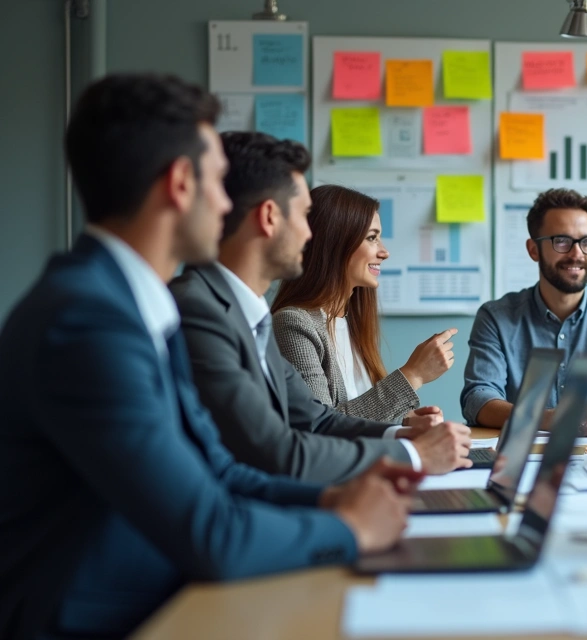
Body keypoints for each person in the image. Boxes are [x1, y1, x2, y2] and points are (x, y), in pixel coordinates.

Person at [0, 74, 417, 640]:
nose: (227, 206)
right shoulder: (87, 322)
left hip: (161, 595)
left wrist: (331, 497)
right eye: (219, 182)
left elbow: (219, 472)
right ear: (179, 184)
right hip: (102, 621)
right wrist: (350, 528)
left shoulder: (136, 305)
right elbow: (211, 532)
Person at [170, 132, 472, 484]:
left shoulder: (249, 312)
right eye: (304, 216)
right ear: (269, 217)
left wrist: (402, 434)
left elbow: (318, 421)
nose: (310, 234)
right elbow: (277, 451)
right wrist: (414, 455)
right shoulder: (203, 310)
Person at [461, 188, 587, 434]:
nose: (577, 254)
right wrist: (546, 419)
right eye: (562, 241)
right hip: (518, 450)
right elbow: (478, 398)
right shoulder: (496, 317)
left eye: (586, 242)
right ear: (534, 250)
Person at [272, 184, 458, 424]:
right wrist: (413, 375)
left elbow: (358, 409)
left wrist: (405, 421)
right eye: (372, 238)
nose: (384, 252)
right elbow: (319, 426)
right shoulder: (293, 323)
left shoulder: (351, 320)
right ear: (335, 243)